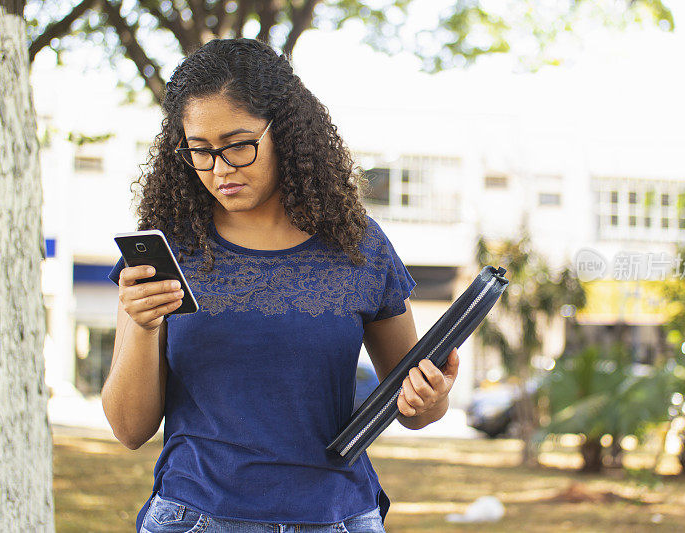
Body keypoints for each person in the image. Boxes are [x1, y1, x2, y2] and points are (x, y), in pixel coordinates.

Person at [102, 38, 460, 533]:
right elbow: (129, 429)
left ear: (285, 132)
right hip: (195, 518)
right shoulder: (170, 249)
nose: (220, 169)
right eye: (200, 151)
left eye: (238, 145)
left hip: (338, 517)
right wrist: (142, 327)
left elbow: (414, 406)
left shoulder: (357, 246)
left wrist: (432, 397)